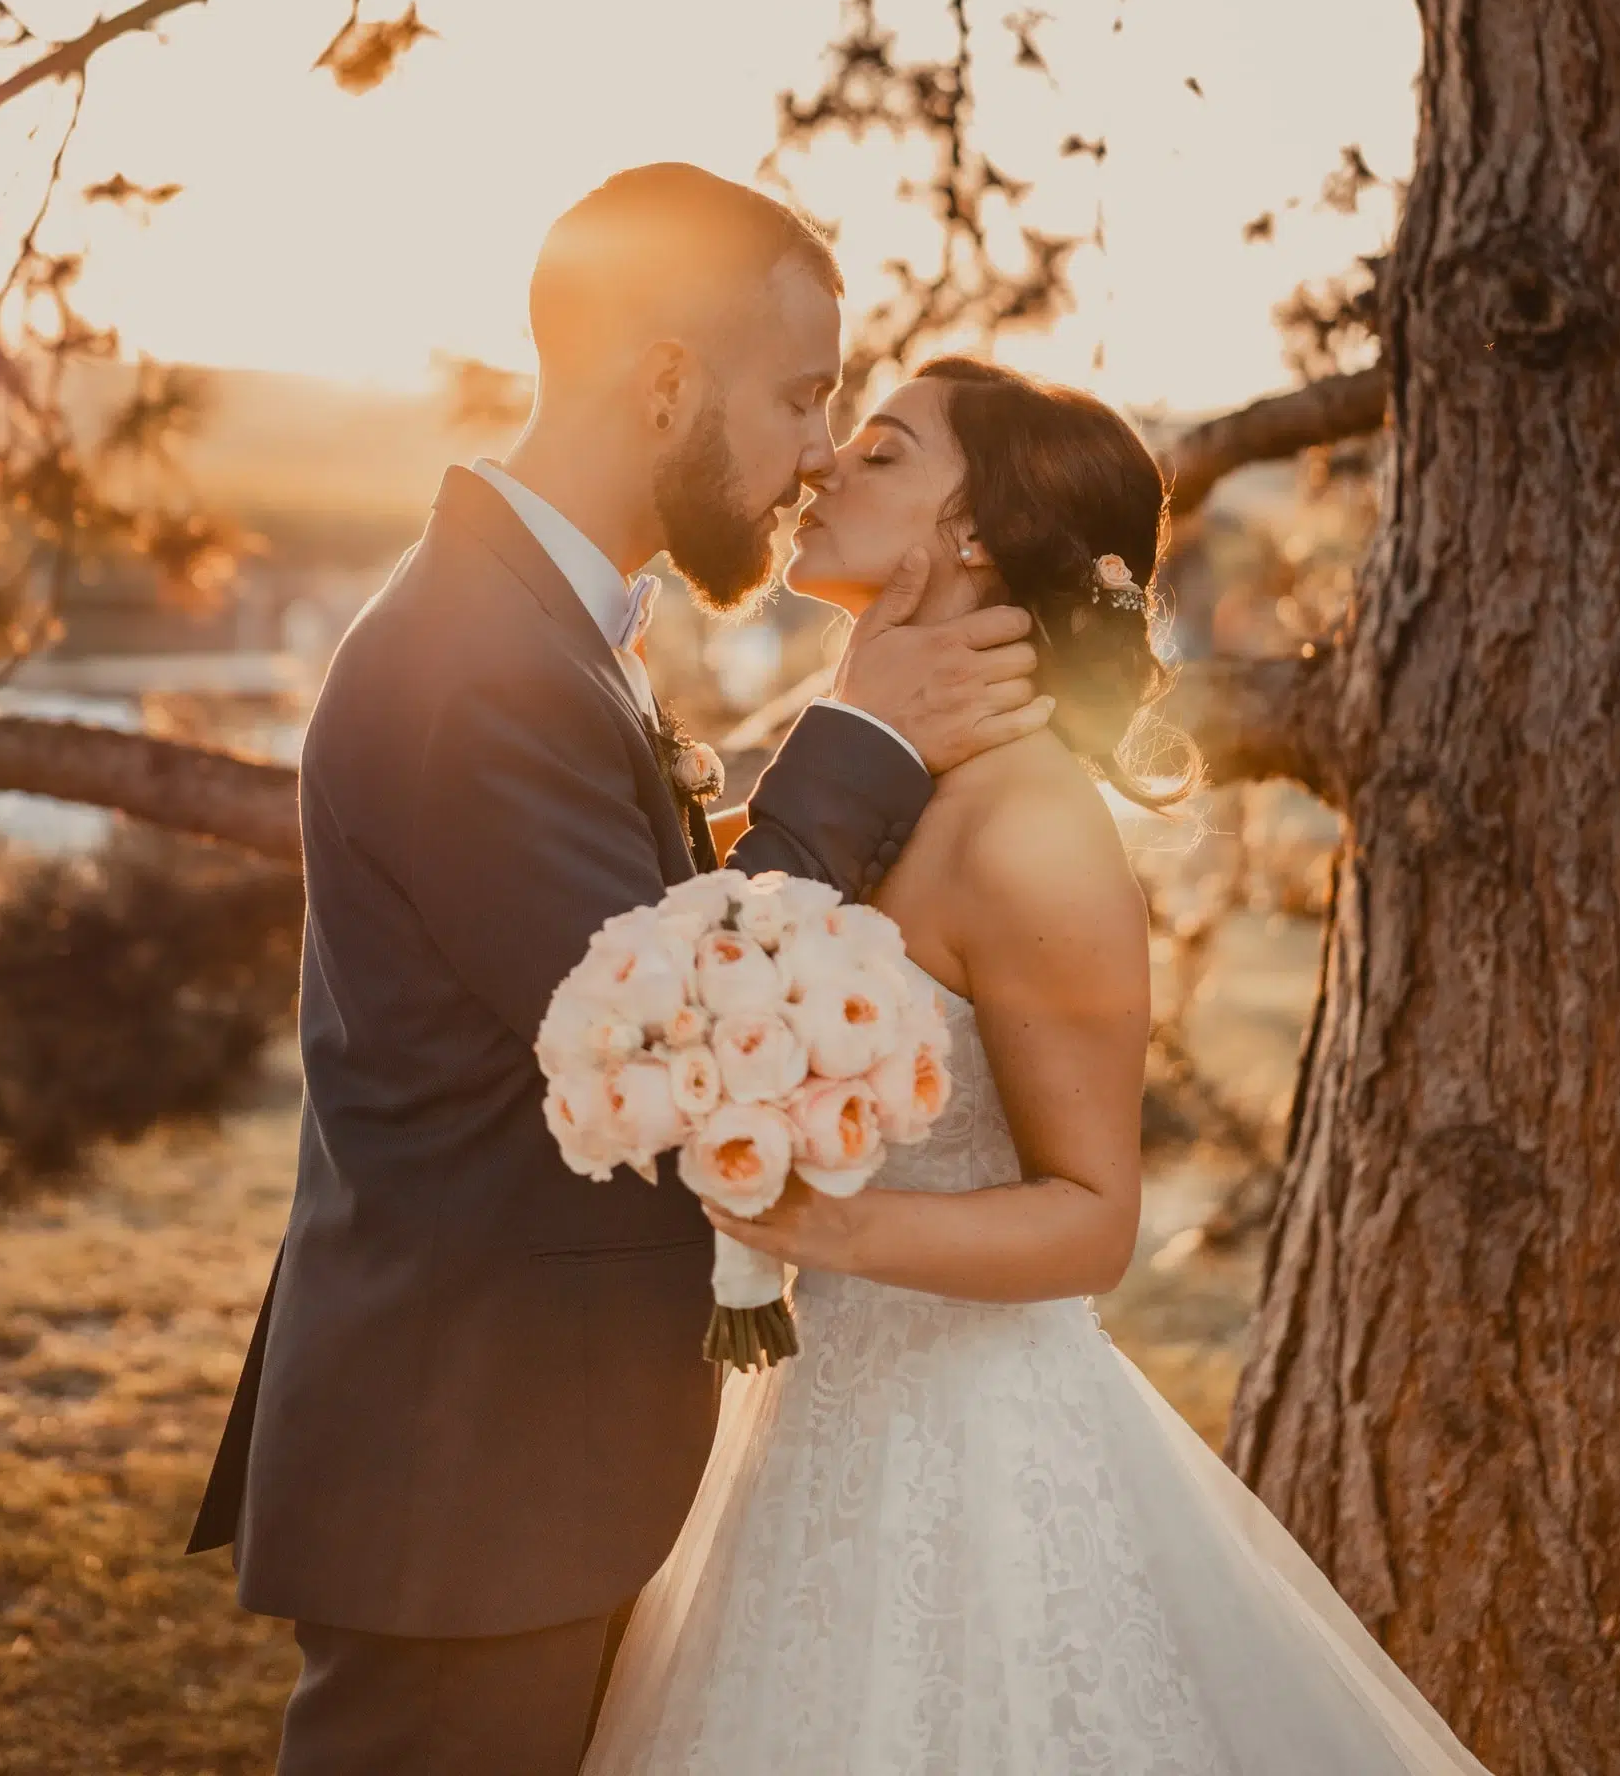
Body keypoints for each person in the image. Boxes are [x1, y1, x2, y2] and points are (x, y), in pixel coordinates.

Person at [186, 170, 1050, 1776]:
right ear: (664, 381)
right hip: (468, 1484)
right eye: (801, 395)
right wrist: (853, 743)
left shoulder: (556, 633)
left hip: (517, 1463)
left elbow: (613, 940)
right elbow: (679, 1042)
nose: (817, 451)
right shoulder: (480, 660)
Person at [585, 355, 1493, 1776]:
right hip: (806, 1430)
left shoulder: (1031, 826)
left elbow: (1094, 1217)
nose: (825, 468)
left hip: (967, 1459)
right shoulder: (875, 774)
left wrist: (822, 1222)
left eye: (882, 452)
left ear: (976, 535)